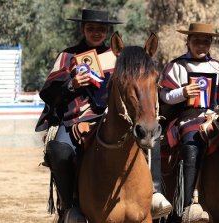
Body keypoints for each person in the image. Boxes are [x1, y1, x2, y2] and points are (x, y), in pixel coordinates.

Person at [35, 9, 171, 222]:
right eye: (91, 28)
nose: (96, 33)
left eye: (101, 29)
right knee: (59, 149)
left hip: (112, 116)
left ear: (107, 31)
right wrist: (71, 84)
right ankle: (71, 207)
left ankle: (154, 193)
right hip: (75, 119)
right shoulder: (67, 56)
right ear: (83, 29)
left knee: (151, 135)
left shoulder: (118, 57)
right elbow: (48, 92)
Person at [159, 22, 219, 222]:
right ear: (188, 42)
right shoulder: (176, 66)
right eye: (197, 41)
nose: (201, 45)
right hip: (186, 117)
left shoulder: (218, 67)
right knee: (192, 142)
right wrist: (182, 93)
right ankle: (184, 205)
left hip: (215, 116)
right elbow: (165, 96)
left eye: (206, 41)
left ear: (210, 43)